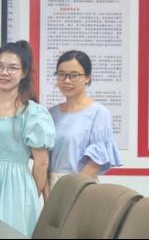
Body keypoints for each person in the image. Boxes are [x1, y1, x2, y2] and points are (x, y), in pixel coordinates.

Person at [0, 41, 55, 237]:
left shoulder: (33, 112)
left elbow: (41, 163)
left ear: (24, 73)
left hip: (17, 186)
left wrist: (28, 196)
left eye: (12, 68)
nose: (4, 72)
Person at [49, 50, 122, 189]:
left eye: (74, 75)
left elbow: (95, 162)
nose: (66, 80)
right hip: (52, 185)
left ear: (87, 78)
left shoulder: (98, 113)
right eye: (61, 74)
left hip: (82, 186)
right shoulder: (51, 113)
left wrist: (73, 190)